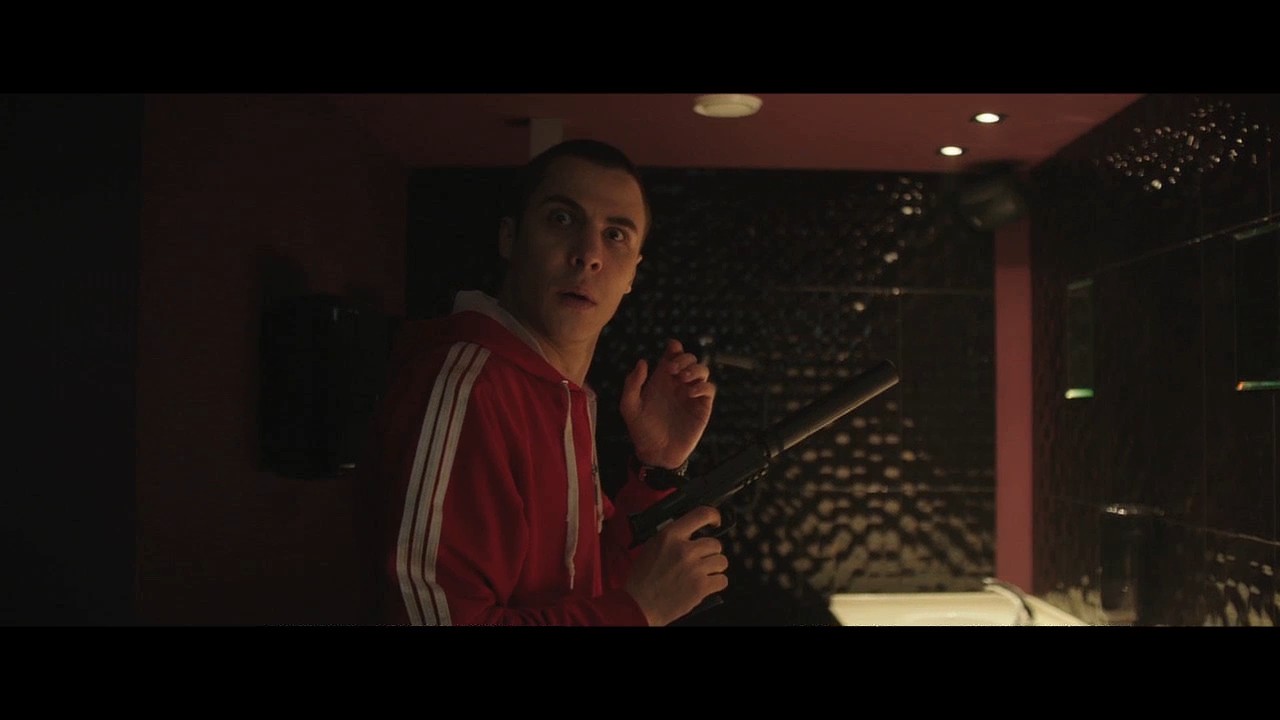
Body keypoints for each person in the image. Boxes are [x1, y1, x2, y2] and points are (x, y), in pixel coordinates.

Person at [366, 138, 729, 626]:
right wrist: (637, 612)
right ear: (509, 238)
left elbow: (586, 594)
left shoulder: (562, 397)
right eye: (562, 219)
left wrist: (657, 470)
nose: (588, 255)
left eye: (615, 235)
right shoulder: (469, 387)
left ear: (632, 274)